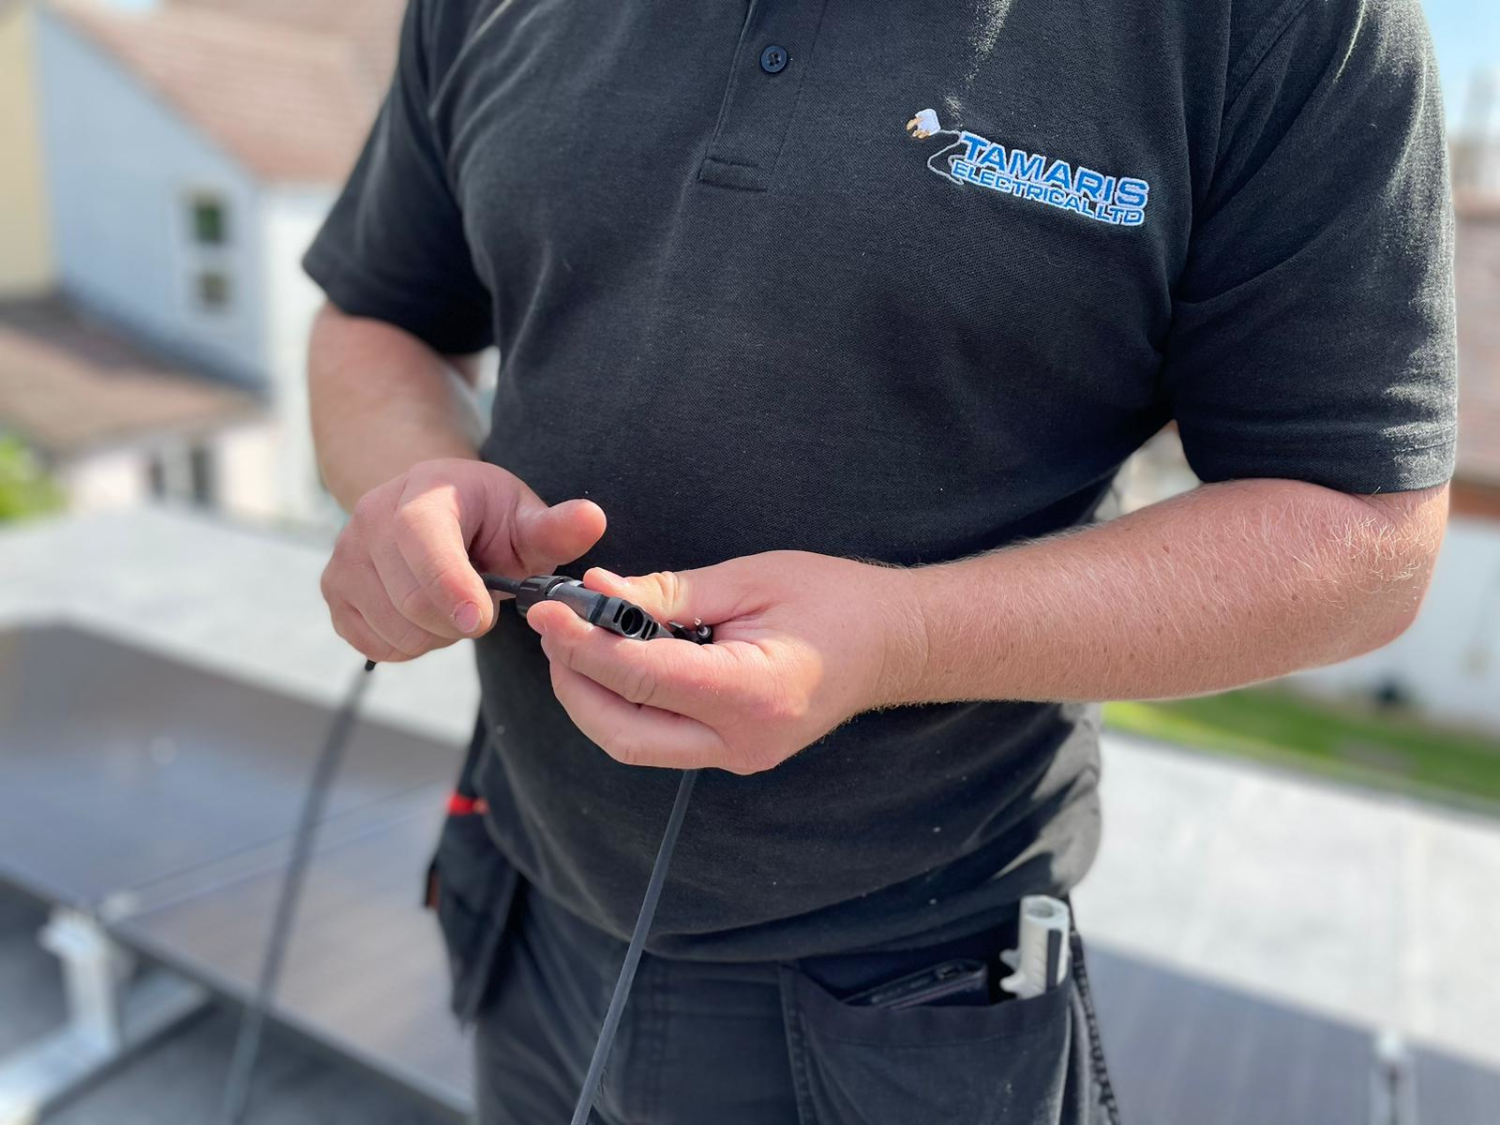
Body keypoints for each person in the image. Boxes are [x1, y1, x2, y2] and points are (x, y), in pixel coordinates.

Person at [303, 0, 1457, 1120]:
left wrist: (900, 639)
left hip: (907, 1000)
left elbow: (1364, 537)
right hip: (518, 899)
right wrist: (409, 474)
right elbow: (375, 318)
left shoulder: (1290, 22)